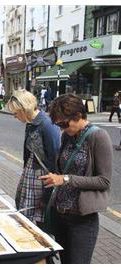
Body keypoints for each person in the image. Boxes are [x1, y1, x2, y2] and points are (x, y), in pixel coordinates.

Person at [39, 93, 113, 264]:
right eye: (59, 125)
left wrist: (66, 179)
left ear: (78, 115)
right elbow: (61, 169)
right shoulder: (67, 136)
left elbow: (104, 181)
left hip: (82, 220)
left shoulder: (98, 136)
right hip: (60, 215)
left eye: (65, 123)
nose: (63, 129)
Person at [6, 89, 61, 226]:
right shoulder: (30, 124)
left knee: (42, 224)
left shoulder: (48, 125)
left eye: (15, 113)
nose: (14, 116)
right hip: (31, 177)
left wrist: (47, 195)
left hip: (42, 181)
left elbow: (55, 161)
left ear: (24, 109)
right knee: (25, 220)